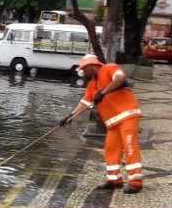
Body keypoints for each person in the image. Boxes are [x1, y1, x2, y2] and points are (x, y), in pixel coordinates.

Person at [60, 53, 144, 193]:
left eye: (83, 70)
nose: (83, 73)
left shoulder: (110, 68)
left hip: (128, 115)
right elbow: (85, 102)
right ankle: (114, 180)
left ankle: (135, 182)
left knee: (130, 147)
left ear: (91, 66)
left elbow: (120, 78)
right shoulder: (92, 85)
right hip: (113, 122)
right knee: (110, 149)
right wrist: (70, 116)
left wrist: (103, 92)